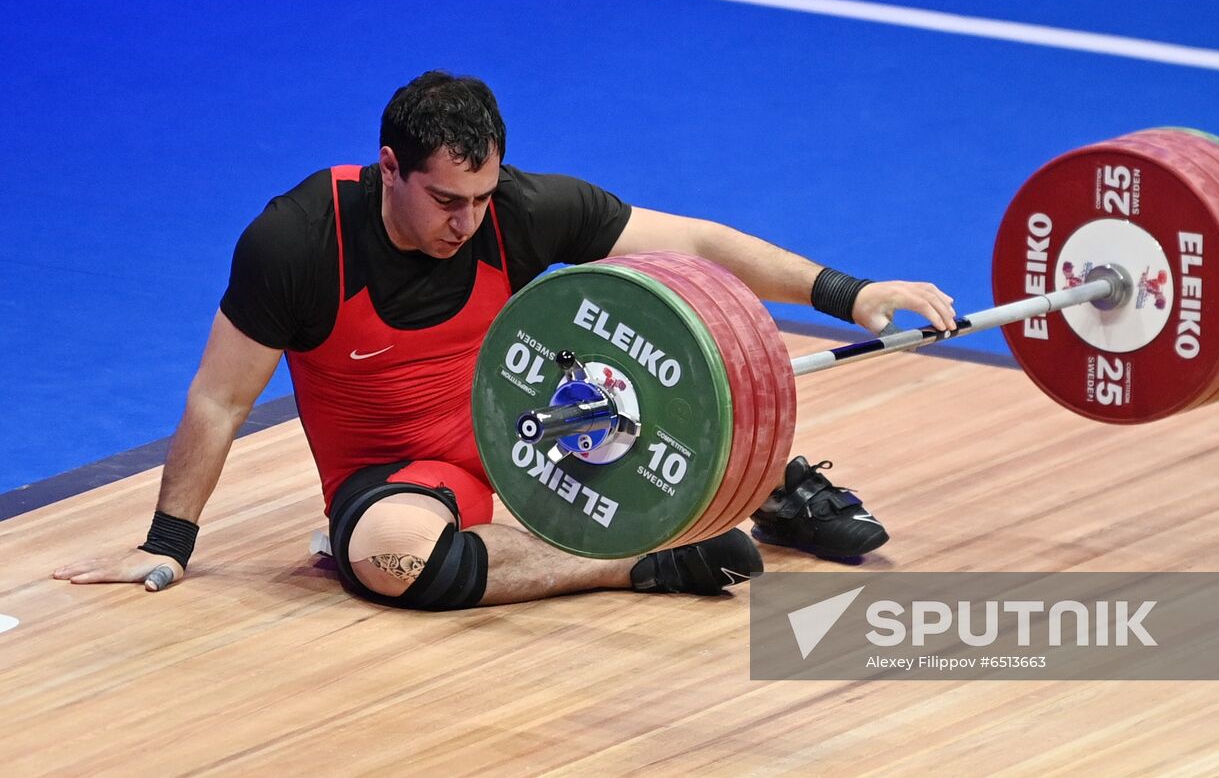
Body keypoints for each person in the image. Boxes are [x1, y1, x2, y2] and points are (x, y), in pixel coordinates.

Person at [54, 71, 956, 609]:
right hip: (408, 471)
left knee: (660, 302)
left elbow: (699, 242)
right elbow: (221, 396)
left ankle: (748, 479)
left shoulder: (516, 211)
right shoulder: (296, 242)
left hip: (556, 426)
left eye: (481, 197)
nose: (467, 221)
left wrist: (849, 291)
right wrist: (168, 541)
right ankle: (651, 552)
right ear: (390, 170)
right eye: (448, 201)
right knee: (390, 564)